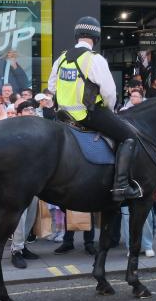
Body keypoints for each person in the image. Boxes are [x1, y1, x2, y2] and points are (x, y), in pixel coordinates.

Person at [48, 16, 142, 202]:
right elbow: (109, 93)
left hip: (63, 115)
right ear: (96, 37)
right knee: (129, 136)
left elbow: (51, 87)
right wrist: (109, 109)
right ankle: (121, 186)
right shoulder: (95, 59)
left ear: (77, 35)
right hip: (87, 114)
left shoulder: (62, 58)